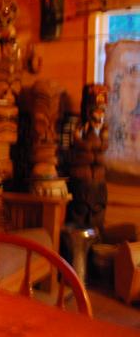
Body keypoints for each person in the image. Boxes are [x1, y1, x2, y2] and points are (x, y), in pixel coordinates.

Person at [68, 84, 109, 232]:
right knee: (82, 209)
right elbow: (78, 147)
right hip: (82, 181)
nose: (99, 115)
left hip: (97, 181)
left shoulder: (103, 131)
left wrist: (93, 147)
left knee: (96, 210)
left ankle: (96, 233)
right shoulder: (81, 128)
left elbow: (102, 149)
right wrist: (86, 145)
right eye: (95, 110)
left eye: (102, 110)